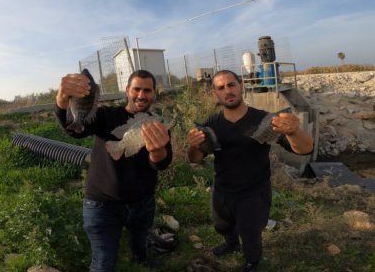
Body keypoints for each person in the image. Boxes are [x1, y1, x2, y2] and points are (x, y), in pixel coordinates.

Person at [186, 70, 313, 272]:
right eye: (221, 88)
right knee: (222, 225)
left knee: (250, 233)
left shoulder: (265, 120)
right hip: (223, 189)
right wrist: (193, 146)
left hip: (254, 191)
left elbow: (305, 149)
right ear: (215, 94)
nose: (227, 90)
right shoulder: (211, 124)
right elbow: (195, 159)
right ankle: (231, 243)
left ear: (241, 86)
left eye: (231, 84)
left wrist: (294, 131)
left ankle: (252, 262)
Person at [55, 69, 172, 272]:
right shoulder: (106, 116)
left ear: (154, 93)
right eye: (136, 89)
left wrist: (157, 151)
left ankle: (140, 257)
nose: (142, 95)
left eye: (147, 90)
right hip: (102, 204)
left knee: (140, 239)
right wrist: (62, 101)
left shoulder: (157, 123)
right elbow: (73, 128)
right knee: (103, 263)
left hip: (142, 202)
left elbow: (161, 163)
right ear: (127, 90)